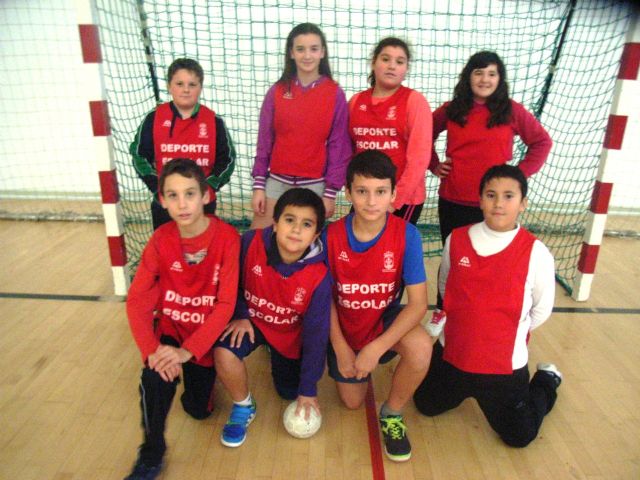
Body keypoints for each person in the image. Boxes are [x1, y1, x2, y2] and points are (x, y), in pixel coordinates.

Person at [413, 164, 561, 448]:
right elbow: (446, 287)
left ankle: (547, 378)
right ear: (480, 200)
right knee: (425, 405)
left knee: (520, 436)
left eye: (508, 196)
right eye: (491, 195)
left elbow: (540, 311)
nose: (499, 203)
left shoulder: (537, 253)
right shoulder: (456, 239)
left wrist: (505, 332)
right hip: (452, 357)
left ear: (523, 203)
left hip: (503, 369)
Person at [124, 158, 240, 479]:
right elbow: (137, 301)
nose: (182, 204)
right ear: (162, 200)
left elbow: (225, 304)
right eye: (173, 196)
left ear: (206, 195)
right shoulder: (160, 240)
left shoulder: (228, 238)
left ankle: (200, 381)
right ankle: (151, 453)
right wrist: (152, 352)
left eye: (190, 194)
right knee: (153, 378)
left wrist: (188, 352)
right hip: (171, 331)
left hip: (204, 337)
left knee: (198, 411)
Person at [427, 51, 552, 329]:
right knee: (453, 259)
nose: (485, 79)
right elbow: (424, 134)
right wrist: (433, 164)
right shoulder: (452, 109)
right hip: (455, 199)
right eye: (479, 72)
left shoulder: (511, 110)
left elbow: (542, 142)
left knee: (492, 263)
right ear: (468, 76)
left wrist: (517, 176)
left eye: (491, 74)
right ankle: (443, 310)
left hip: (496, 205)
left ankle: (483, 313)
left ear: (500, 79)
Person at [324, 150, 432, 462]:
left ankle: (392, 412)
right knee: (352, 402)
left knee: (421, 347)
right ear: (348, 193)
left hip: (383, 323)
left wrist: (377, 347)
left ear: (394, 195)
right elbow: (324, 300)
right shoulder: (330, 236)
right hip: (345, 326)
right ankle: (352, 359)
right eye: (362, 191)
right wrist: (340, 346)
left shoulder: (407, 235)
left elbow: (418, 304)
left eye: (380, 192)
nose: (371, 201)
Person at [214, 188, 332, 447]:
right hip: (252, 322)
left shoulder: (320, 276)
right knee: (223, 352)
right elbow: (230, 284)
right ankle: (243, 405)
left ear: (316, 234)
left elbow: (316, 336)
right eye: (290, 220)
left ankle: (276, 353)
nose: (296, 230)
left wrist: (308, 390)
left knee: (288, 392)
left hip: (289, 333)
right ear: (275, 223)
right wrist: (241, 314)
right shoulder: (249, 243)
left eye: (307, 224)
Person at [250, 23, 351, 228]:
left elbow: (338, 145)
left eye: (313, 49)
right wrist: (259, 186)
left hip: (314, 186)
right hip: (276, 183)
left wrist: (330, 193)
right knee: (257, 241)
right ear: (291, 53)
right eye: (300, 49)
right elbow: (264, 141)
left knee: (304, 242)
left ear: (322, 52)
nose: (307, 55)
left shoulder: (335, 94)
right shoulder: (277, 91)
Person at [130, 58, 236, 230]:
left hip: (202, 204)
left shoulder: (213, 121)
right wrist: (158, 188)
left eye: (192, 84)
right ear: (169, 86)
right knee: (166, 245)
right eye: (179, 84)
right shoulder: (154, 118)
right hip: (165, 204)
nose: (186, 90)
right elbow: (139, 155)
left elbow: (227, 160)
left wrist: (208, 187)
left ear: (200, 87)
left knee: (202, 245)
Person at [348, 37, 432, 225]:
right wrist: (352, 188)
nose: (392, 66)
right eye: (385, 59)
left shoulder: (414, 102)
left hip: (401, 200)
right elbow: (348, 150)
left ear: (406, 69)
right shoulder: (355, 102)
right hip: (365, 196)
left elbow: (419, 158)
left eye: (399, 62)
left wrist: (395, 200)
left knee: (391, 244)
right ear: (373, 63)